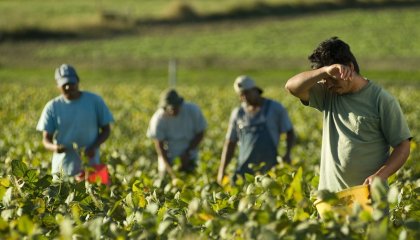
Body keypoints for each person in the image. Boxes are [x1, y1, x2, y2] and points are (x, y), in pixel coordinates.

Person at [285, 37, 411, 192]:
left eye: (331, 78)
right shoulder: (328, 95)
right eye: (324, 80)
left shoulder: (381, 99)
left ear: (350, 68)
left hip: (368, 197)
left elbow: (403, 145)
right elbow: (291, 87)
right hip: (331, 198)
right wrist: (325, 72)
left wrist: (380, 175)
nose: (328, 84)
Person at [37, 64, 114, 179]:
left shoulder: (94, 101)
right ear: (58, 85)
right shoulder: (52, 107)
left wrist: (94, 146)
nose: (68, 87)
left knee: (93, 195)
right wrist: (55, 148)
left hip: (90, 167)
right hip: (62, 169)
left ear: (77, 81)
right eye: (64, 84)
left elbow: (106, 130)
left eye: (71, 83)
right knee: (62, 195)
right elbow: (46, 140)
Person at [217, 75, 295, 184]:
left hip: (270, 169)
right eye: (241, 95)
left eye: (246, 93)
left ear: (255, 90)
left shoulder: (275, 108)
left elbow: (289, 132)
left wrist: (287, 153)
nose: (244, 98)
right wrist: (222, 170)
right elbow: (230, 142)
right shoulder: (238, 113)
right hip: (245, 171)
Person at [147, 89, 207, 178]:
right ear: (164, 108)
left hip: (190, 159)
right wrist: (170, 169)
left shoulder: (192, 110)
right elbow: (159, 145)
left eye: (175, 107)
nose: (173, 111)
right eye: (170, 108)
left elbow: (200, 133)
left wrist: (187, 153)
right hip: (168, 161)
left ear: (180, 104)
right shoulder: (158, 119)